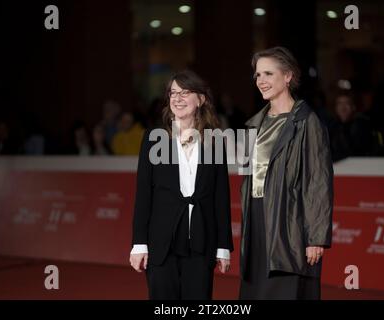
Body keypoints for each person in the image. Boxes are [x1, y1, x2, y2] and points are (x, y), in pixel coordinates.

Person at [129, 70, 233, 300]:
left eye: (185, 92)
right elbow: (144, 195)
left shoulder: (214, 141)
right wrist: (139, 244)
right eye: (173, 93)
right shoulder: (154, 138)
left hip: (201, 242)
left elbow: (220, 198)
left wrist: (223, 247)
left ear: (201, 99)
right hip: (161, 243)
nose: (177, 98)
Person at [239, 46, 333, 300]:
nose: (261, 81)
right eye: (258, 75)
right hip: (257, 221)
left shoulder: (307, 122)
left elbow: (318, 182)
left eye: (268, 74)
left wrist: (315, 237)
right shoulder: (253, 124)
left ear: (288, 76)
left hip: (289, 224)